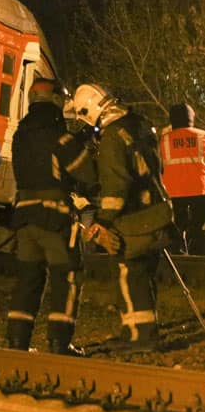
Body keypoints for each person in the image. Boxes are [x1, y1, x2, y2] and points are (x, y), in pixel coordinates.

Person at [74, 84, 179, 352]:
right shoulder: (141, 126)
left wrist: (103, 221)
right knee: (146, 273)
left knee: (129, 273)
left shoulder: (111, 138)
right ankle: (147, 330)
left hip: (135, 219)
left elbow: (115, 188)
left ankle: (138, 336)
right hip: (160, 210)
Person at [6, 78, 98, 356]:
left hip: (24, 217)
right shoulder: (61, 136)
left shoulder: (21, 135)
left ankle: (17, 343)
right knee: (66, 276)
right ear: (56, 99)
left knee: (28, 279)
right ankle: (59, 343)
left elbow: (40, 163)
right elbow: (87, 175)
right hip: (54, 217)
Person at [160, 103, 205, 255]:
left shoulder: (163, 140)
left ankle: (178, 258)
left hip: (173, 192)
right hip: (200, 190)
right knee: (197, 226)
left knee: (177, 227)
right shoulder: (202, 136)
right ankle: (198, 256)